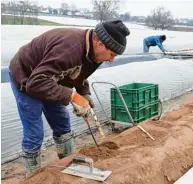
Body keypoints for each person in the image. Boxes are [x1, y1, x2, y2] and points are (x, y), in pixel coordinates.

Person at [8, 20, 130, 175]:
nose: (112, 59)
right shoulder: (70, 49)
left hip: (51, 78)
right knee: (35, 132)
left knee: (62, 125)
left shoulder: (95, 53)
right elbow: (36, 83)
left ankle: (68, 163)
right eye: (112, 54)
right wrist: (73, 96)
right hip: (27, 76)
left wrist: (84, 93)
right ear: (100, 44)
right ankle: (33, 177)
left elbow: (80, 73)